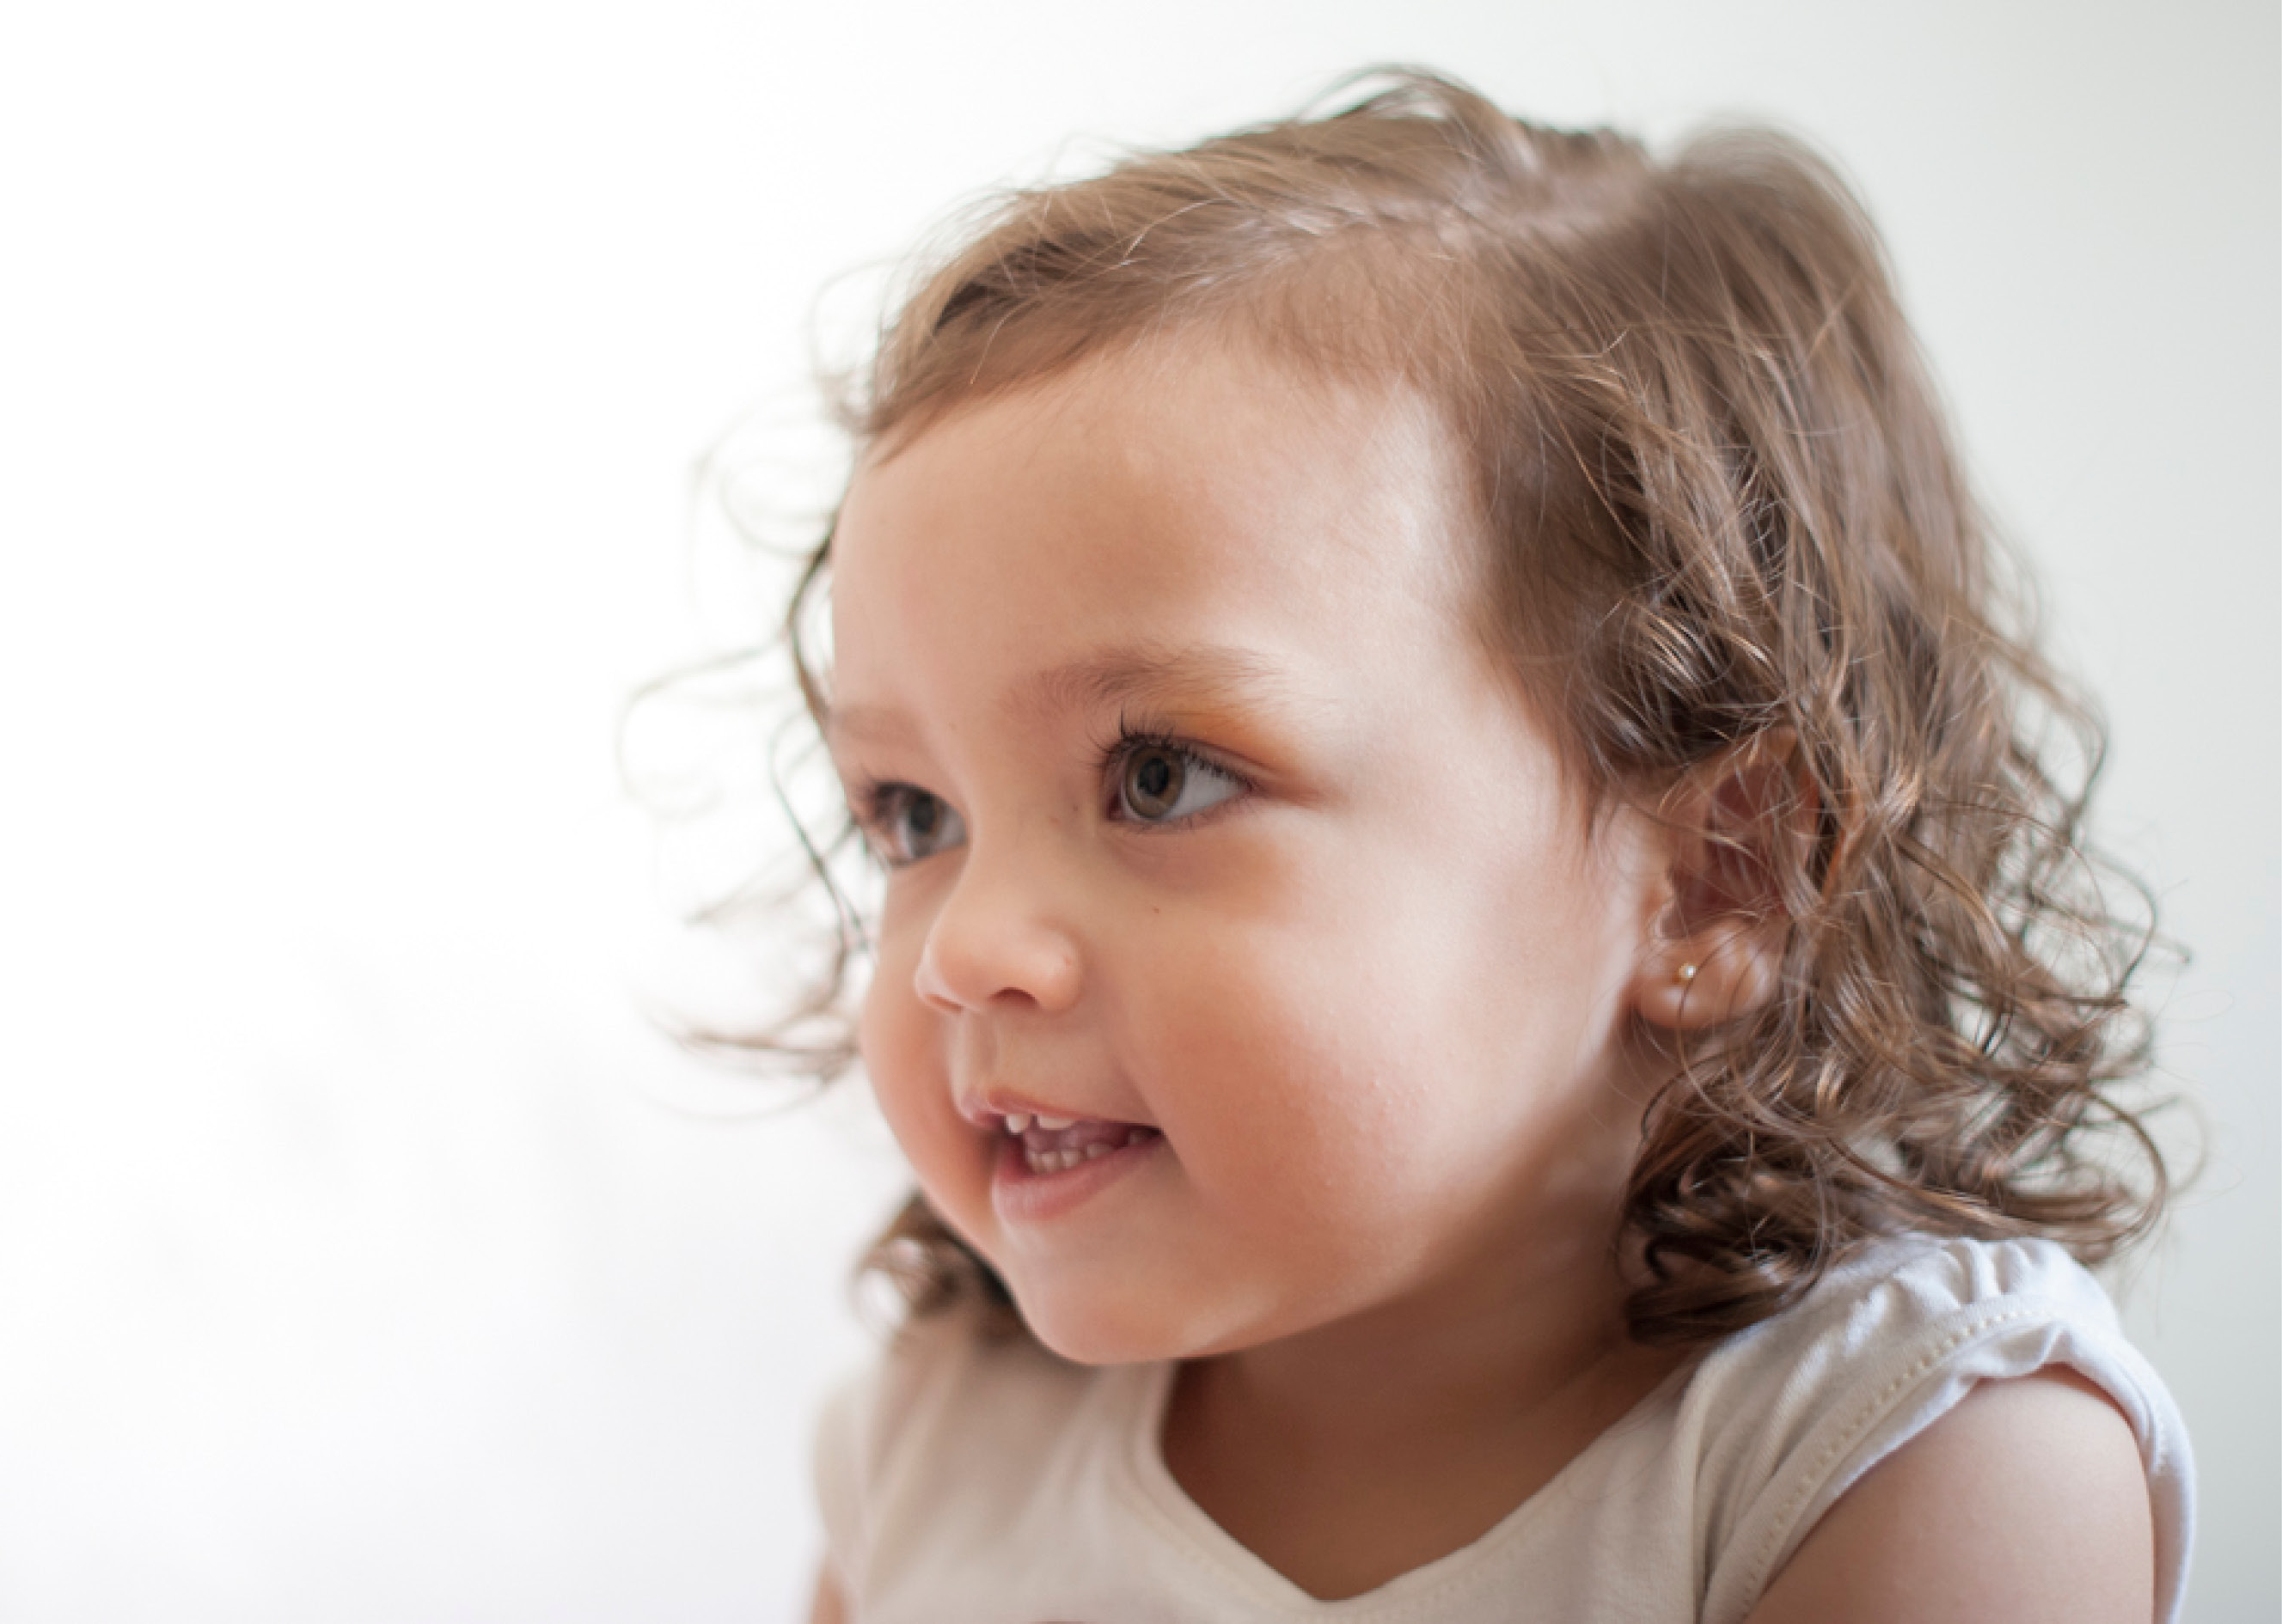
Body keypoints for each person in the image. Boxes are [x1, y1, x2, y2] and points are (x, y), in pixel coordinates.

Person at [770, 69, 2192, 1621]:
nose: (963, 949)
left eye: (1160, 778)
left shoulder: (1910, 1450)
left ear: (1713, 877)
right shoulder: (933, 1448)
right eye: (914, 814)